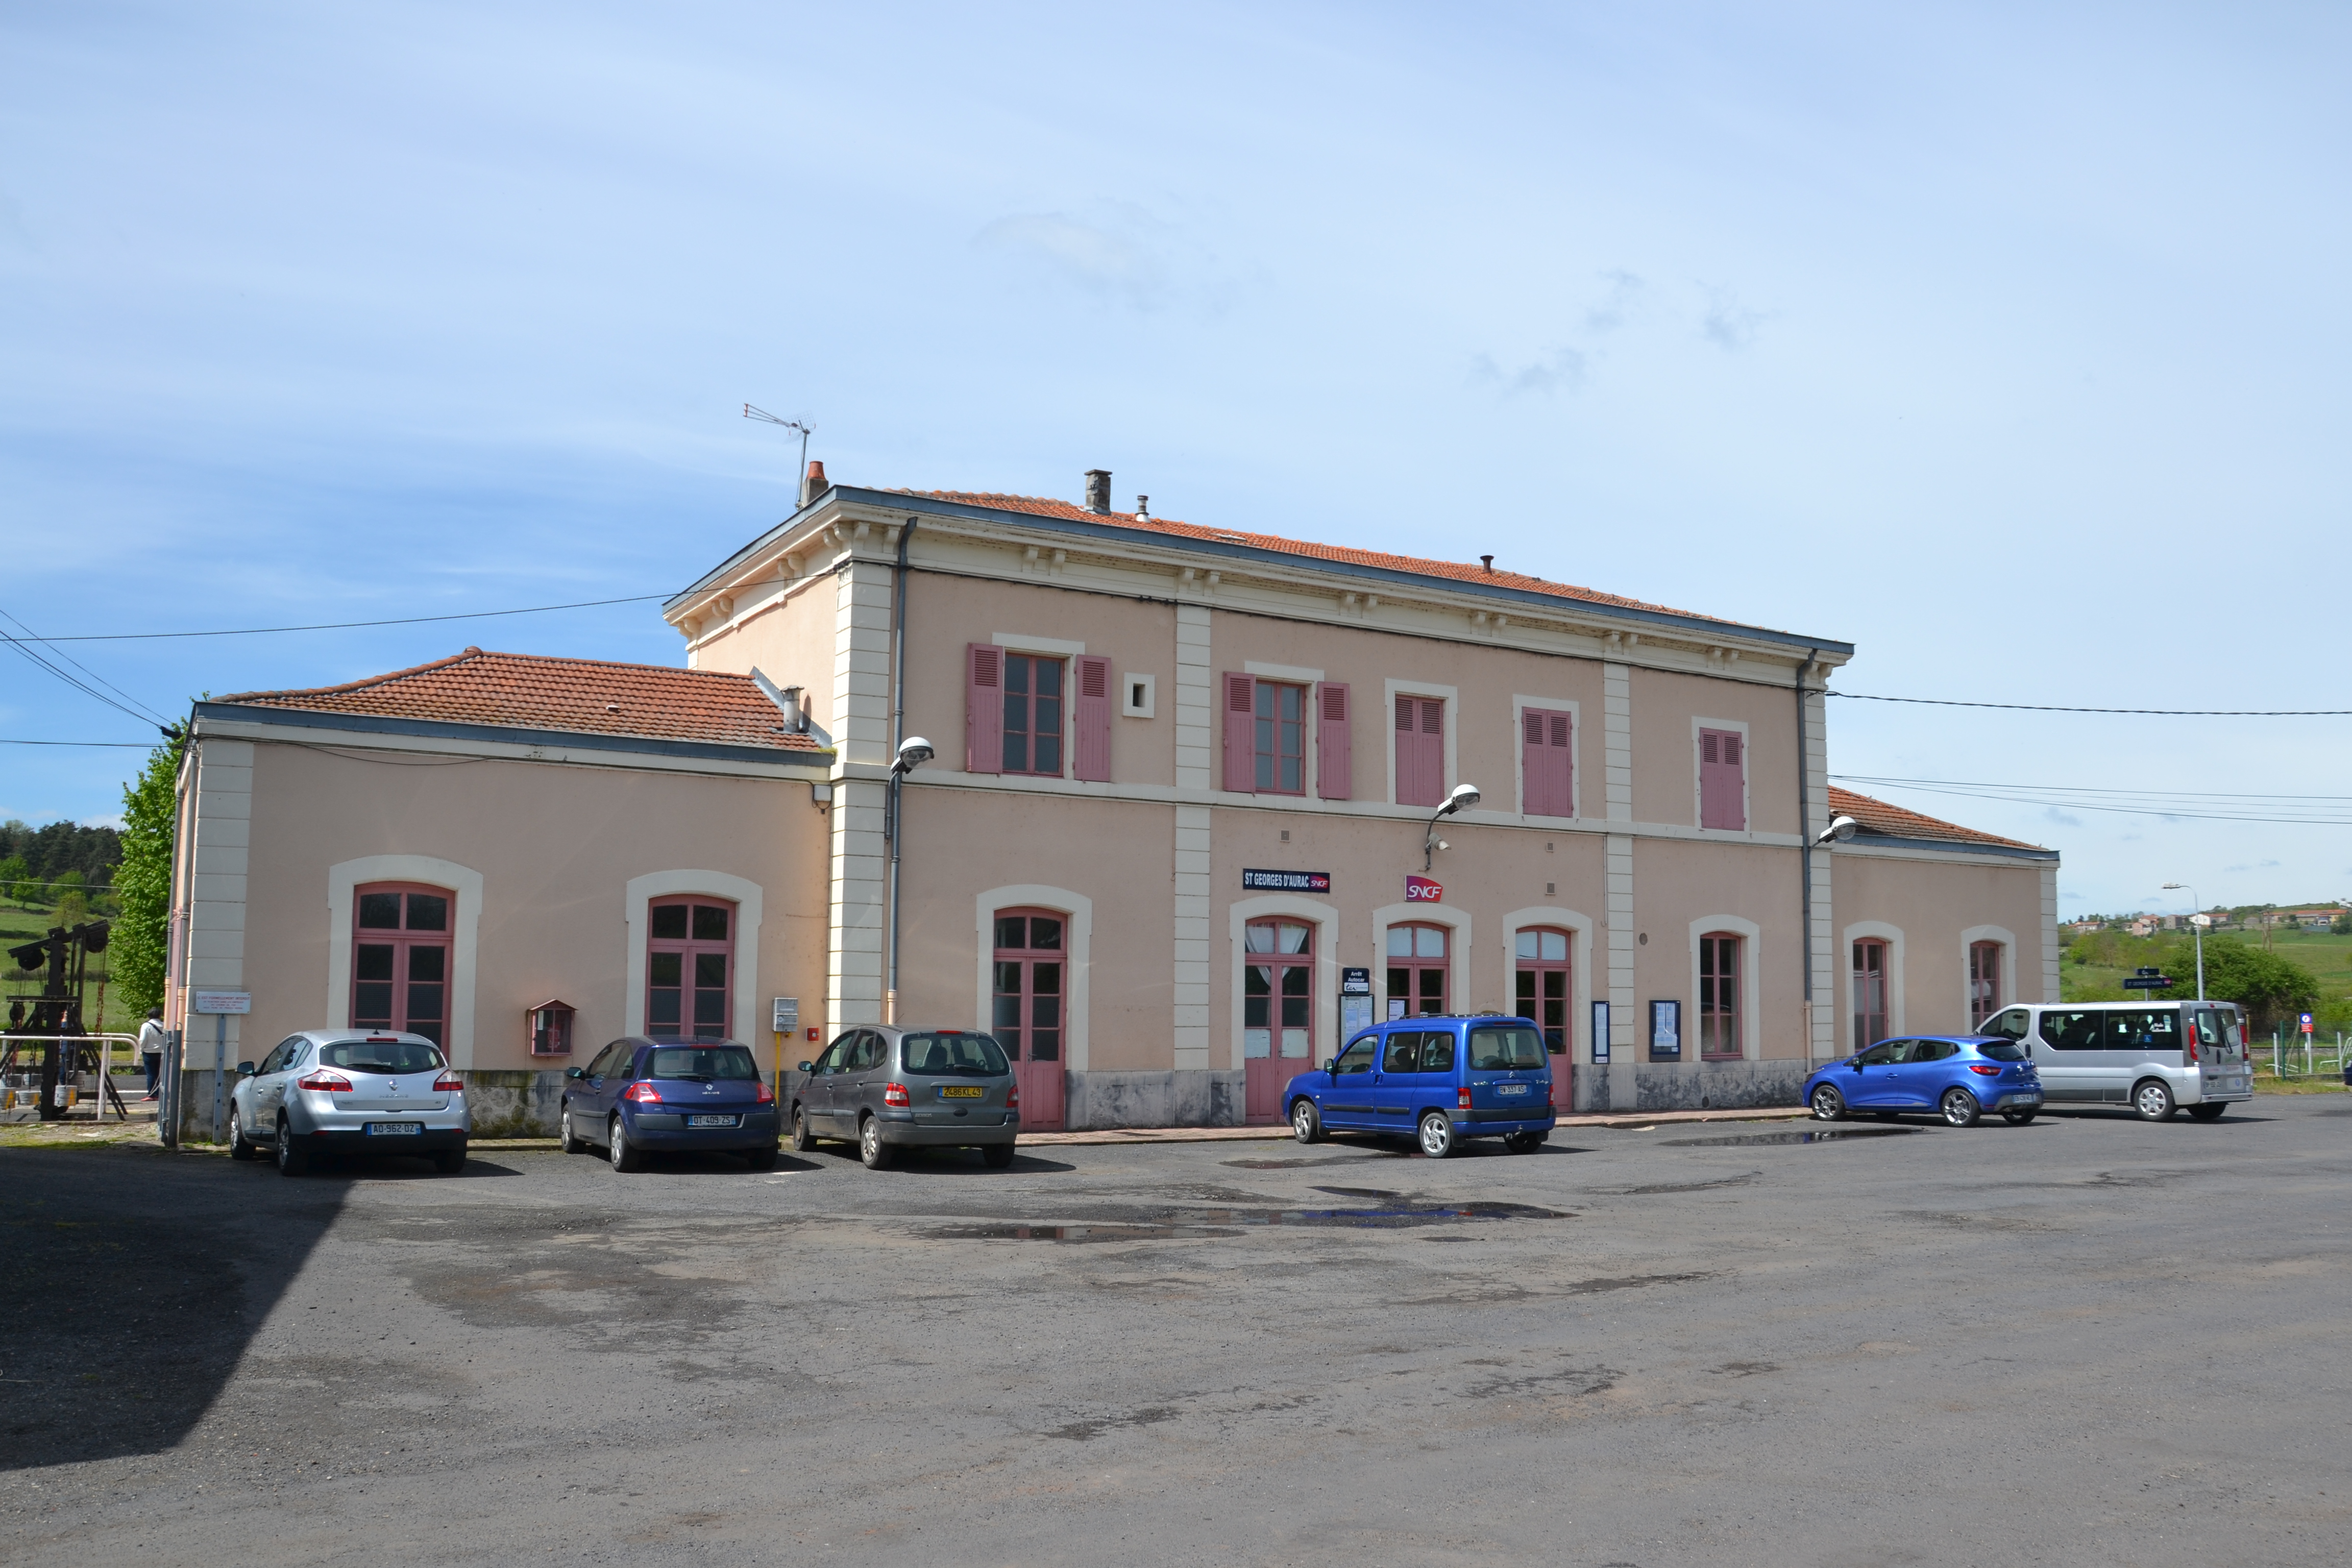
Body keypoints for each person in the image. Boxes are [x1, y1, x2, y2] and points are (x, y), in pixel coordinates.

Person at [138, 1008, 167, 1099]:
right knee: (159, 1074)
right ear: (160, 1015)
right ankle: (158, 1094)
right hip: (162, 1052)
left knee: (150, 1074)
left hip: (149, 1052)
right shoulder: (164, 1025)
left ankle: (151, 1094)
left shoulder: (146, 1026)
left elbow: (143, 1039)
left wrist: (141, 1049)